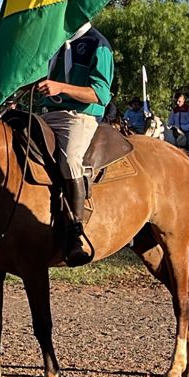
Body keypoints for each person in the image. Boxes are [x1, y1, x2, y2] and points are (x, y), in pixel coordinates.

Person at [36, 23, 114, 266]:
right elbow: (30, 77)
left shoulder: (98, 44)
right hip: (43, 113)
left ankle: (74, 232)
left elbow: (101, 93)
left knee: (70, 160)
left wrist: (61, 87)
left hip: (78, 117)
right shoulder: (51, 39)